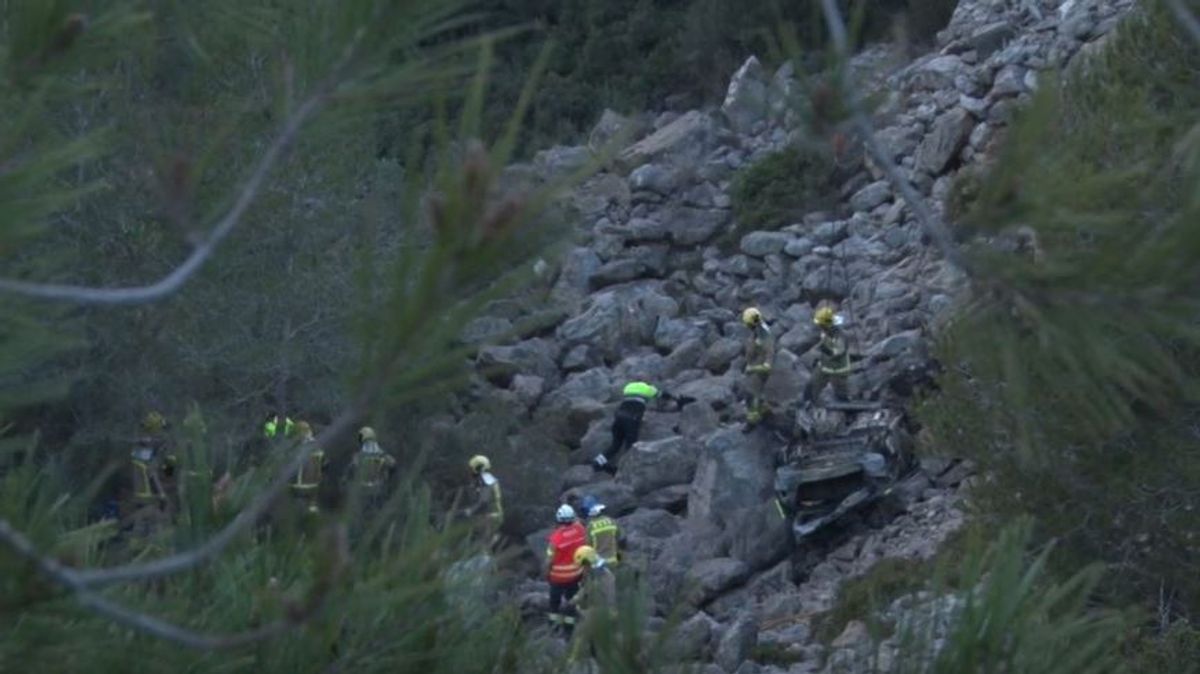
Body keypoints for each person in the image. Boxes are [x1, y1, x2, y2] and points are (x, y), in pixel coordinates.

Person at [593, 381, 680, 475]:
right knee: (630, 447)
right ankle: (624, 470)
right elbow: (661, 394)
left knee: (615, 445)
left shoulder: (628, 387)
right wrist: (674, 398)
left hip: (619, 417)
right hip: (631, 419)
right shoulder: (648, 388)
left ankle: (597, 462)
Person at [568, 545, 618, 663]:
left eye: (582, 566)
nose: (581, 569)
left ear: (587, 562)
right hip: (606, 611)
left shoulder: (598, 577)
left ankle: (572, 662)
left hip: (600, 611)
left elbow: (587, 592)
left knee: (579, 636)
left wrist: (574, 602)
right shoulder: (601, 572)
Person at [545, 503, 587, 637]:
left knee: (554, 604)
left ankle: (553, 629)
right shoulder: (580, 531)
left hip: (557, 578)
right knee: (571, 603)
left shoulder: (556, 538)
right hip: (576, 575)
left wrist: (545, 573)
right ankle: (569, 630)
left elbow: (549, 560)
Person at [805, 306, 852, 404]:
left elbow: (839, 352)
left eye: (821, 325)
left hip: (838, 368)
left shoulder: (841, 336)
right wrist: (814, 350)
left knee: (841, 393)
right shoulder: (825, 332)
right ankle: (809, 402)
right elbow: (822, 342)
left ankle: (846, 410)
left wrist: (826, 351)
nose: (819, 327)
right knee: (812, 384)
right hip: (824, 366)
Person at [741, 307, 776, 426]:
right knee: (753, 392)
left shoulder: (765, 335)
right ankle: (764, 410)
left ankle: (753, 420)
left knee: (751, 393)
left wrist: (753, 368)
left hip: (761, 368)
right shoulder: (758, 331)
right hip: (756, 363)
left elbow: (768, 360)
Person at [466, 454, 504, 545]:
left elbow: (483, 501)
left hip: (489, 516)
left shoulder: (485, 481)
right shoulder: (489, 479)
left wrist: (469, 511)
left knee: (483, 542)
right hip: (494, 515)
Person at [289, 420, 325, 514]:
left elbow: (319, 462)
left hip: (306, 485)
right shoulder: (299, 445)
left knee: (308, 508)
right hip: (300, 485)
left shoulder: (312, 445)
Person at [351, 426, 396, 490]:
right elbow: (393, 463)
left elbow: (354, 467)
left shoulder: (358, 456)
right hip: (380, 485)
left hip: (364, 487)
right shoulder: (382, 454)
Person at [583, 499, 620, 568]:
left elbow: (587, 546)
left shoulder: (590, 527)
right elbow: (618, 536)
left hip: (598, 565)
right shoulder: (611, 521)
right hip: (614, 561)